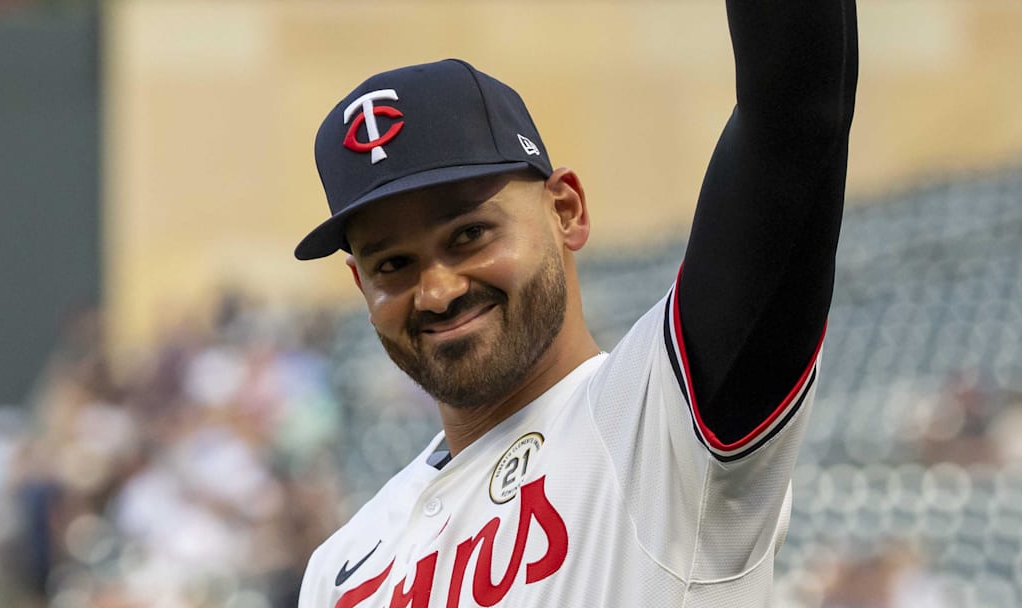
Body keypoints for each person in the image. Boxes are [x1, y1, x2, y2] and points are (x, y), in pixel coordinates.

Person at [293, 0, 858, 604]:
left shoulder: (662, 420)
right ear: (361, 286)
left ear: (567, 210)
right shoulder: (337, 570)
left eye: (468, 235)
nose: (437, 291)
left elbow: (796, 117)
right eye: (393, 265)